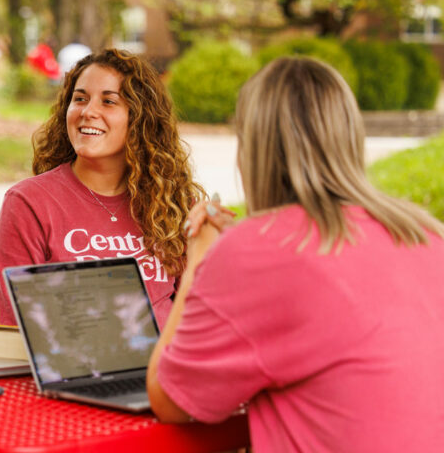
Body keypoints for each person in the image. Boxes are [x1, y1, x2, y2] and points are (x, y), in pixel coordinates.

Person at [147, 57, 444, 452]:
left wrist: (201, 256)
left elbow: (171, 398)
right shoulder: (423, 233)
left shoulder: (258, 249)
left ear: (253, 149)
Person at [0, 48, 205, 328]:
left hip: (165, 368)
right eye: (79, 99)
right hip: (76, 369)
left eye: (109, 101)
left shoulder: (173, 202)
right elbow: (17, 327)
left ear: (140, 118)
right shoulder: (29, 203)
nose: (88, 112)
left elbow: (198, 317)